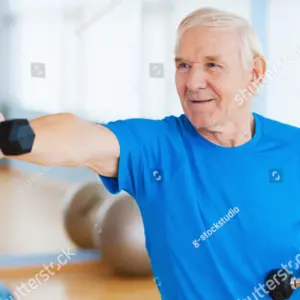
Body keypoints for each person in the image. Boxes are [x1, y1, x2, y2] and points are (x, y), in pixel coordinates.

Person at [0, 6, 299, 300]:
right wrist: (7, 136)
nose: (192, 83)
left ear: (255, 74)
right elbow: (80, 138)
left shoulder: (293, 147)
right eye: (183, 65)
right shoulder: (157, 148)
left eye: (212, 65)